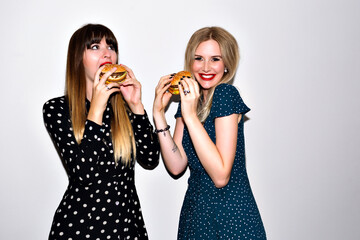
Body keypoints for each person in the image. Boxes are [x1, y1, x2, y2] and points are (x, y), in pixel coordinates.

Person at [43, 23, 159, 240]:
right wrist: (97, 106)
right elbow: (83, 174)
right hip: (81, 228)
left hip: (127, 226)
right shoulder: (57, 109)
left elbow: (151, 159)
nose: (107, 53)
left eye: (111, 47)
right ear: (79, 58)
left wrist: (136, 106)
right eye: (95, 47)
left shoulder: (123, 110)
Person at [153, 26, 266, 239]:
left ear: (227, 64)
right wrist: (159, 114)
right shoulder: (189, 101)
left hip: (230, 217)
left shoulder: (225, 94)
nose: (205, 67)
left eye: (215, 59)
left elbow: (221, 176)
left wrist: (190, 116)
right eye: (199, 58)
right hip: (196, 214)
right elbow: (176, 165)